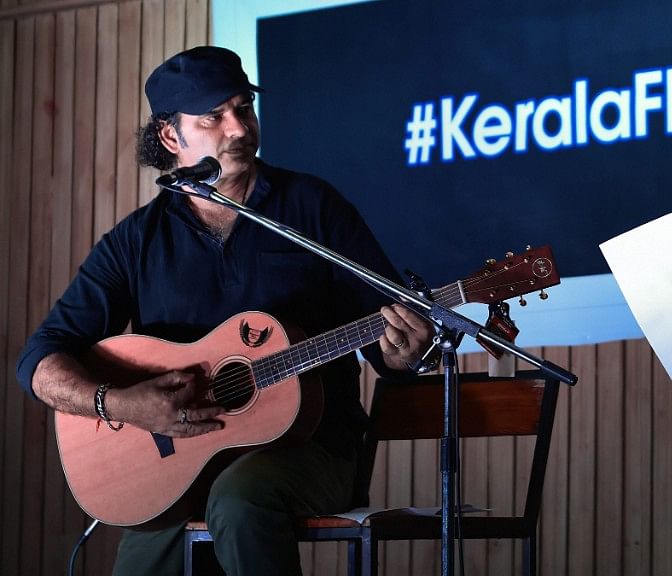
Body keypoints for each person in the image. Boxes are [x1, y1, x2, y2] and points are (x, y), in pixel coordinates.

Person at [16, 46, 434, 576]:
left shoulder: (313, 208)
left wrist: (407, 351)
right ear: (172, 136)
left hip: (313, 449)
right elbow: (39, 360)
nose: (238, 128)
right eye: (213, 116)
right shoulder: (136, 242)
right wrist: (119, 403)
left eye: (244, 108)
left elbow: (389, 341)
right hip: (182, 463)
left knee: (239, 499)